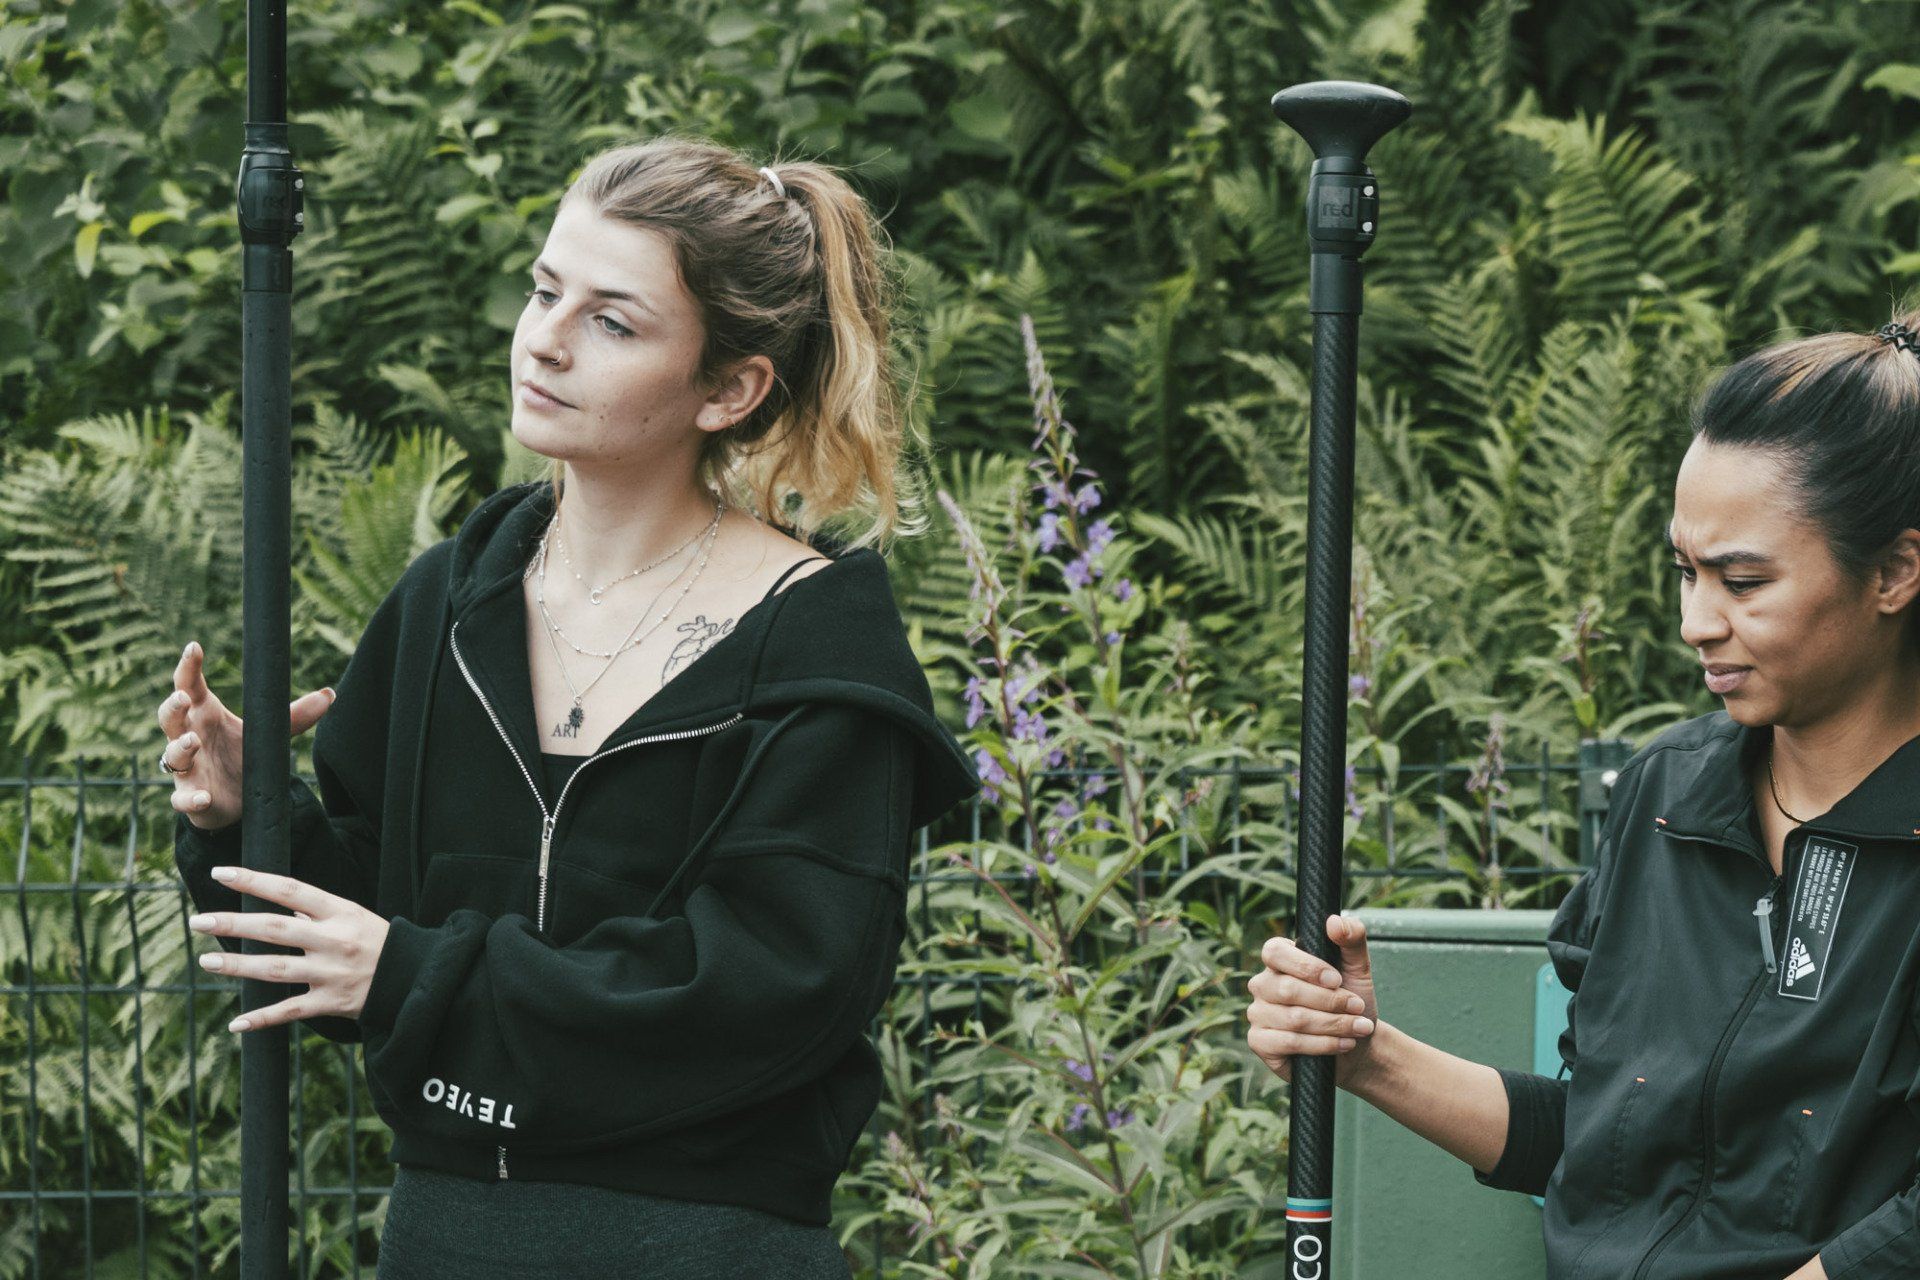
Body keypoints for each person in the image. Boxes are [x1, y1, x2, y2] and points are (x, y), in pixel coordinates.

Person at [157, 136, 978, 1279]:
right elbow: (358, 942)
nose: (544, 337)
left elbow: (767, 992)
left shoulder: (813, 651)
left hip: (702, 1249)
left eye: (613, 321)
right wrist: (250, 814)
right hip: (448, 1242)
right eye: (547, 291)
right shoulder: (451, 605)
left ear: (729, 389)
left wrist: (415, 974)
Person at [1246, 315, 1920, 1280]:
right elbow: (1603, 1151)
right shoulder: (1667, 797)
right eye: (1685, 572)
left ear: (1893, 572)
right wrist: (1363, 1056)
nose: (1695, 622)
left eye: (1742, 580)